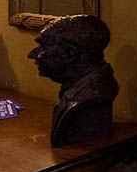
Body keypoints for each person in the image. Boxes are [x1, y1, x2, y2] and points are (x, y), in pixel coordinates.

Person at [28, 14, 118, 146]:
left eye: (43, 47)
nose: (32, 54)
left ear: (71, 53)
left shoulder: (90, 97)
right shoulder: (83, 88)